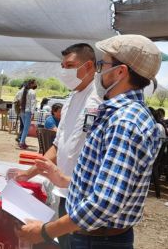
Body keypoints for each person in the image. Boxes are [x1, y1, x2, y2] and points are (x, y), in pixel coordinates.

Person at [18, 35, 162, 248]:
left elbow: (105, 203)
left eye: (103, 64)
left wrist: (45, 232)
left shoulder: (124, 121)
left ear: (120, 72)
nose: (100, 70)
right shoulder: (118, 114)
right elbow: (107, 182)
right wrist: (67, 181)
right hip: (92, 234)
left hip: (98, 238)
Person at [14, 43, 102, 248]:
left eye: (70, 65)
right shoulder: (71, 99)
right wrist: (28, 173)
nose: (64, 71)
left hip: (84, 197)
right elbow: (57, 146)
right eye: (63, 65)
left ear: (89, 66)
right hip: (64, 193)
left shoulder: (100, 100)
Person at [18, 79, 38, 149]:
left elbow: (18, 98)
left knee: (25, 128)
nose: (36, 84)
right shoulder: (32, 92)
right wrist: (33, 113)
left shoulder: (22, 90)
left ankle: (22, 141)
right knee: (26, 128)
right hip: (28, 111)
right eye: (35, 83)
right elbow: (33, 103)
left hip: (22, 111)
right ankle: (21, 143)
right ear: (31, 84)